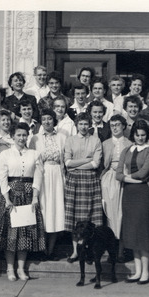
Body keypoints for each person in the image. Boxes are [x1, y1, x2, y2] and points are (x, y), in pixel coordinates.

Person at [0, 122, 46, 281]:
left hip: (28, 196)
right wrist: (6, 198)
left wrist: (35, 197)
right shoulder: (5, 155)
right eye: (18, 135)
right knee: (11, 234)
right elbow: (2, 177)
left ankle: (21, 269)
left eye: (24, 135)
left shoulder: (34, 154)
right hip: (11, 196)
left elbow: (38, 177)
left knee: (24, 234)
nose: (22, 138)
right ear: (13, 136)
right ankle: (10, 269)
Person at [117, 120, 149, 284]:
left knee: (143, 231)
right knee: (132, 231)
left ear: (147, 135)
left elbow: (144, 173)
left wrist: (128, 178)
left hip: (143, 194)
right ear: (133, 135)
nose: (140, 138)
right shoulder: (126, 150)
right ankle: (137, 271)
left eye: (143, 135)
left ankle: (146, 271)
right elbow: (118, 174)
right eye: (137, 135)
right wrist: (130, 179)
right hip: (129, 193)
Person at [64, 112, 103, 263]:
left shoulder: (96, 140)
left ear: (90, 125)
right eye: (81, 124)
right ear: (76, 125)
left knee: (90, 218)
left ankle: (89, 251)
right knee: (75, 219)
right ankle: (75, 252)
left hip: (90, 181)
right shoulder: (70, 140)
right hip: (74, 181)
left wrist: (76, 163)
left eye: (86, 124)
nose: (83, 126)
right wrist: (85, 160)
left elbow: (95, 164)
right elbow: (67, 163)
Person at [29, 109, 67, 261]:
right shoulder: (35, 139)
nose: (46, 122)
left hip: (57, 175)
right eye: (43, 119)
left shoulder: (63, 137)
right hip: (42, 176)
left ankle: (51, 250)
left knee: (55, 212)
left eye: (49, 119)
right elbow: (32, 160)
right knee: (43, 212)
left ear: (54, 120)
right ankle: (41, 249)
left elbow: (65, 159)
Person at [100, 114, 132, 262]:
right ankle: (111, 249)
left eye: (118, 125)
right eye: (112, 125)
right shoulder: (105, 143)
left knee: (123, 214)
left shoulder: (130, 143)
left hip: (125, 179)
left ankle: (121, 250)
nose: (115, 128)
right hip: (110, 178)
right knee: (110, 214)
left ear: (123, 126)